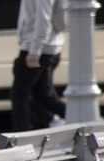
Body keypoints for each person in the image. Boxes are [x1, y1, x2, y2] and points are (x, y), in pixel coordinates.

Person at [10, 0, 67, 131]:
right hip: (49, 47)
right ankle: (76, 119)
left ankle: (22, 135)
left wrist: (35, 52)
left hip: (37, 48)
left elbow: (43, 19)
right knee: (43, 95)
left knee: (19, 95)